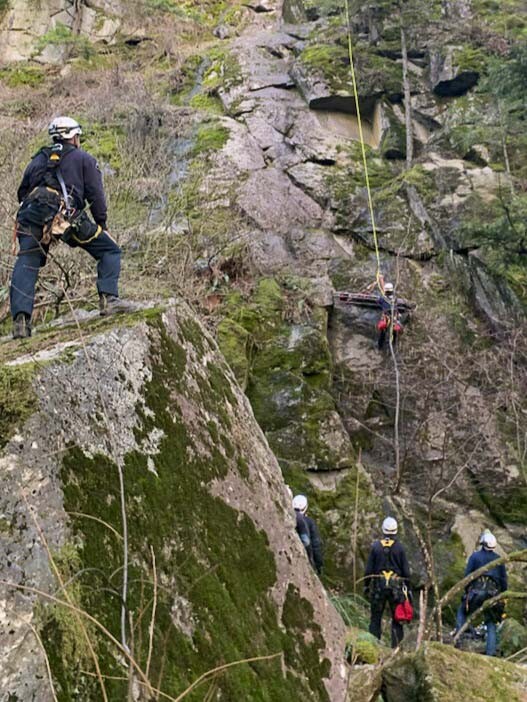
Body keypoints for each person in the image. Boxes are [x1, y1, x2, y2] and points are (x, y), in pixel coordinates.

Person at [10, 116, 131, 339]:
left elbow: (22, 192)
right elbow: (96, 194)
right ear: (73, 137)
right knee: (109, 250)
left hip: (29, 215)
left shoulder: (38, 158)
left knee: (26, 262)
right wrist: (102, 224)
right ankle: (109, 300)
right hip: (64, 215)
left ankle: (20, 322)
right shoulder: (83, 159)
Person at [455, 530, 507, 656]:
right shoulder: (499, 560)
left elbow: (467, 577)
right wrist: (502, 597)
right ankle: (490, 653)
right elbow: (503, 582)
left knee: (462, 611)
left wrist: (466, 592)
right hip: (492, 595)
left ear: (482, 543)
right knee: (491, 622)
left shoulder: (475, 557)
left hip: (476, 594)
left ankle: (458, 642)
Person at [364, 517, 410, 648]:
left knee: (375, 618)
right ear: (396, 530)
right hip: (396, 588)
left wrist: (366, 586)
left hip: (379, 587)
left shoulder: (376, 547)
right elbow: (406, 572)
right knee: (397, 619)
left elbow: (368, 570)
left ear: (383, 530)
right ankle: (396, 649)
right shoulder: (400, 548)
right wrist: (408, 589)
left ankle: (373, 647)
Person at [293, 494, 323, 574]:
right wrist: (319, 564)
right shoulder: (309, 522)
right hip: (305, 556)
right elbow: (315, 545)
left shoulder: (288, 516)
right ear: (305, 508)